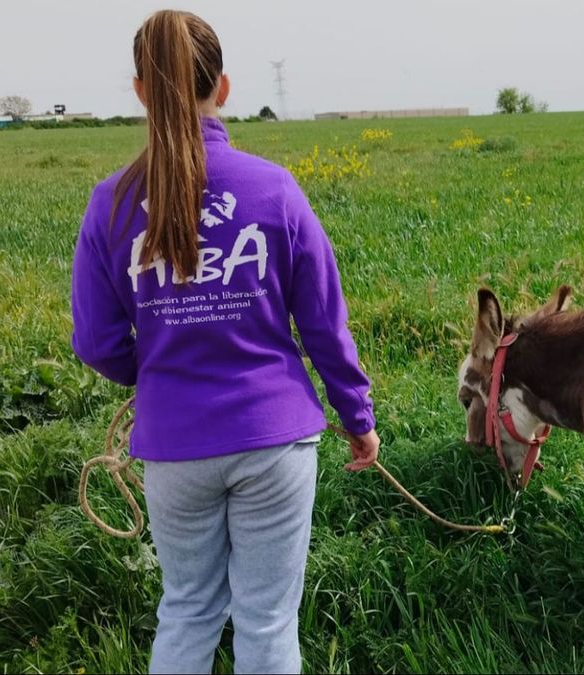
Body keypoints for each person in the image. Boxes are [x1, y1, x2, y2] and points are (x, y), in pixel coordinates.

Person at [69, 10, 379, 673]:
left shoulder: (110, 204)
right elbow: (324, 321)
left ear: (142, 91)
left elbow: (96, 341)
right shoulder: (275, 190)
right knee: (268, 624)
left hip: (174, 446)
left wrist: (153, 369)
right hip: (274, 437)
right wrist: (358, 417)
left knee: (187, 610)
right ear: (226, 87)